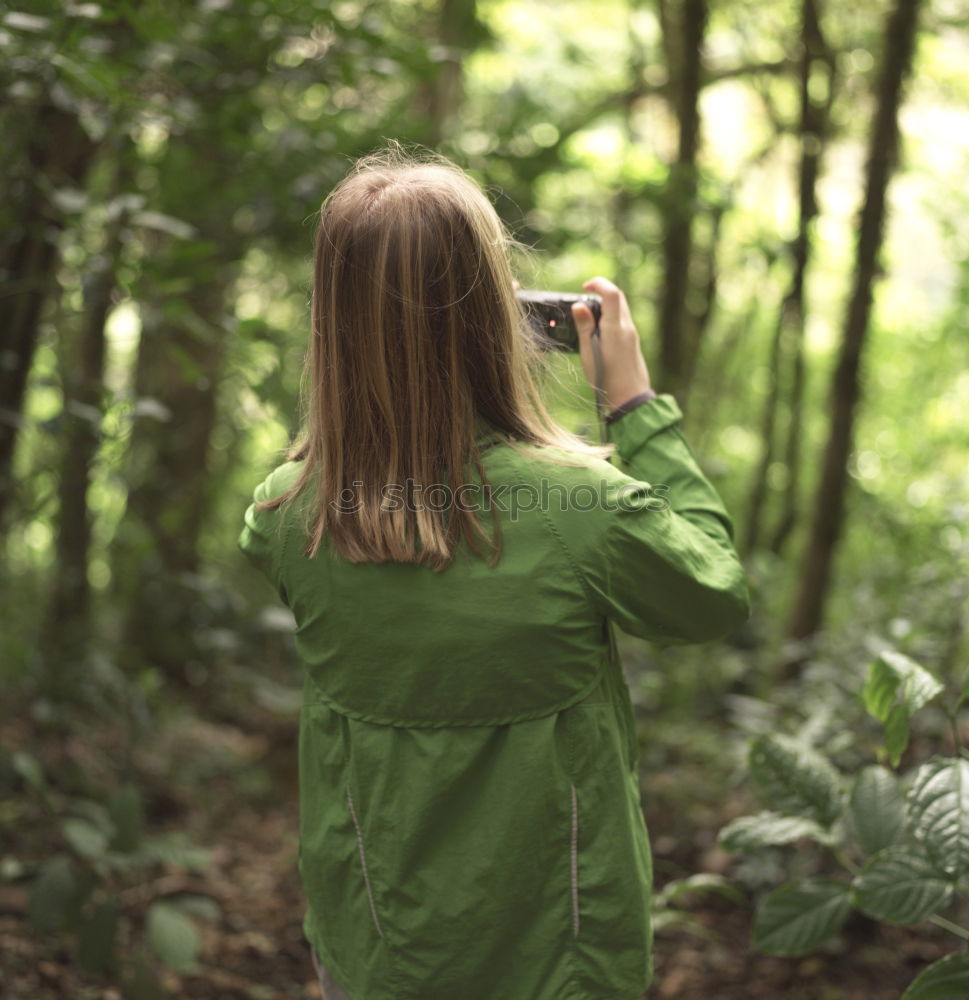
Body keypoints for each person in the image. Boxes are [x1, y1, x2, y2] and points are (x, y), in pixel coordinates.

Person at [237, 143, 750, 1000]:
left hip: (372, 949)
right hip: (566, 960)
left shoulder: (287, 518)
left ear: (333, 322)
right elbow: (712, 594)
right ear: (492, 314)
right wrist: (634, 409)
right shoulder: (584, 510)